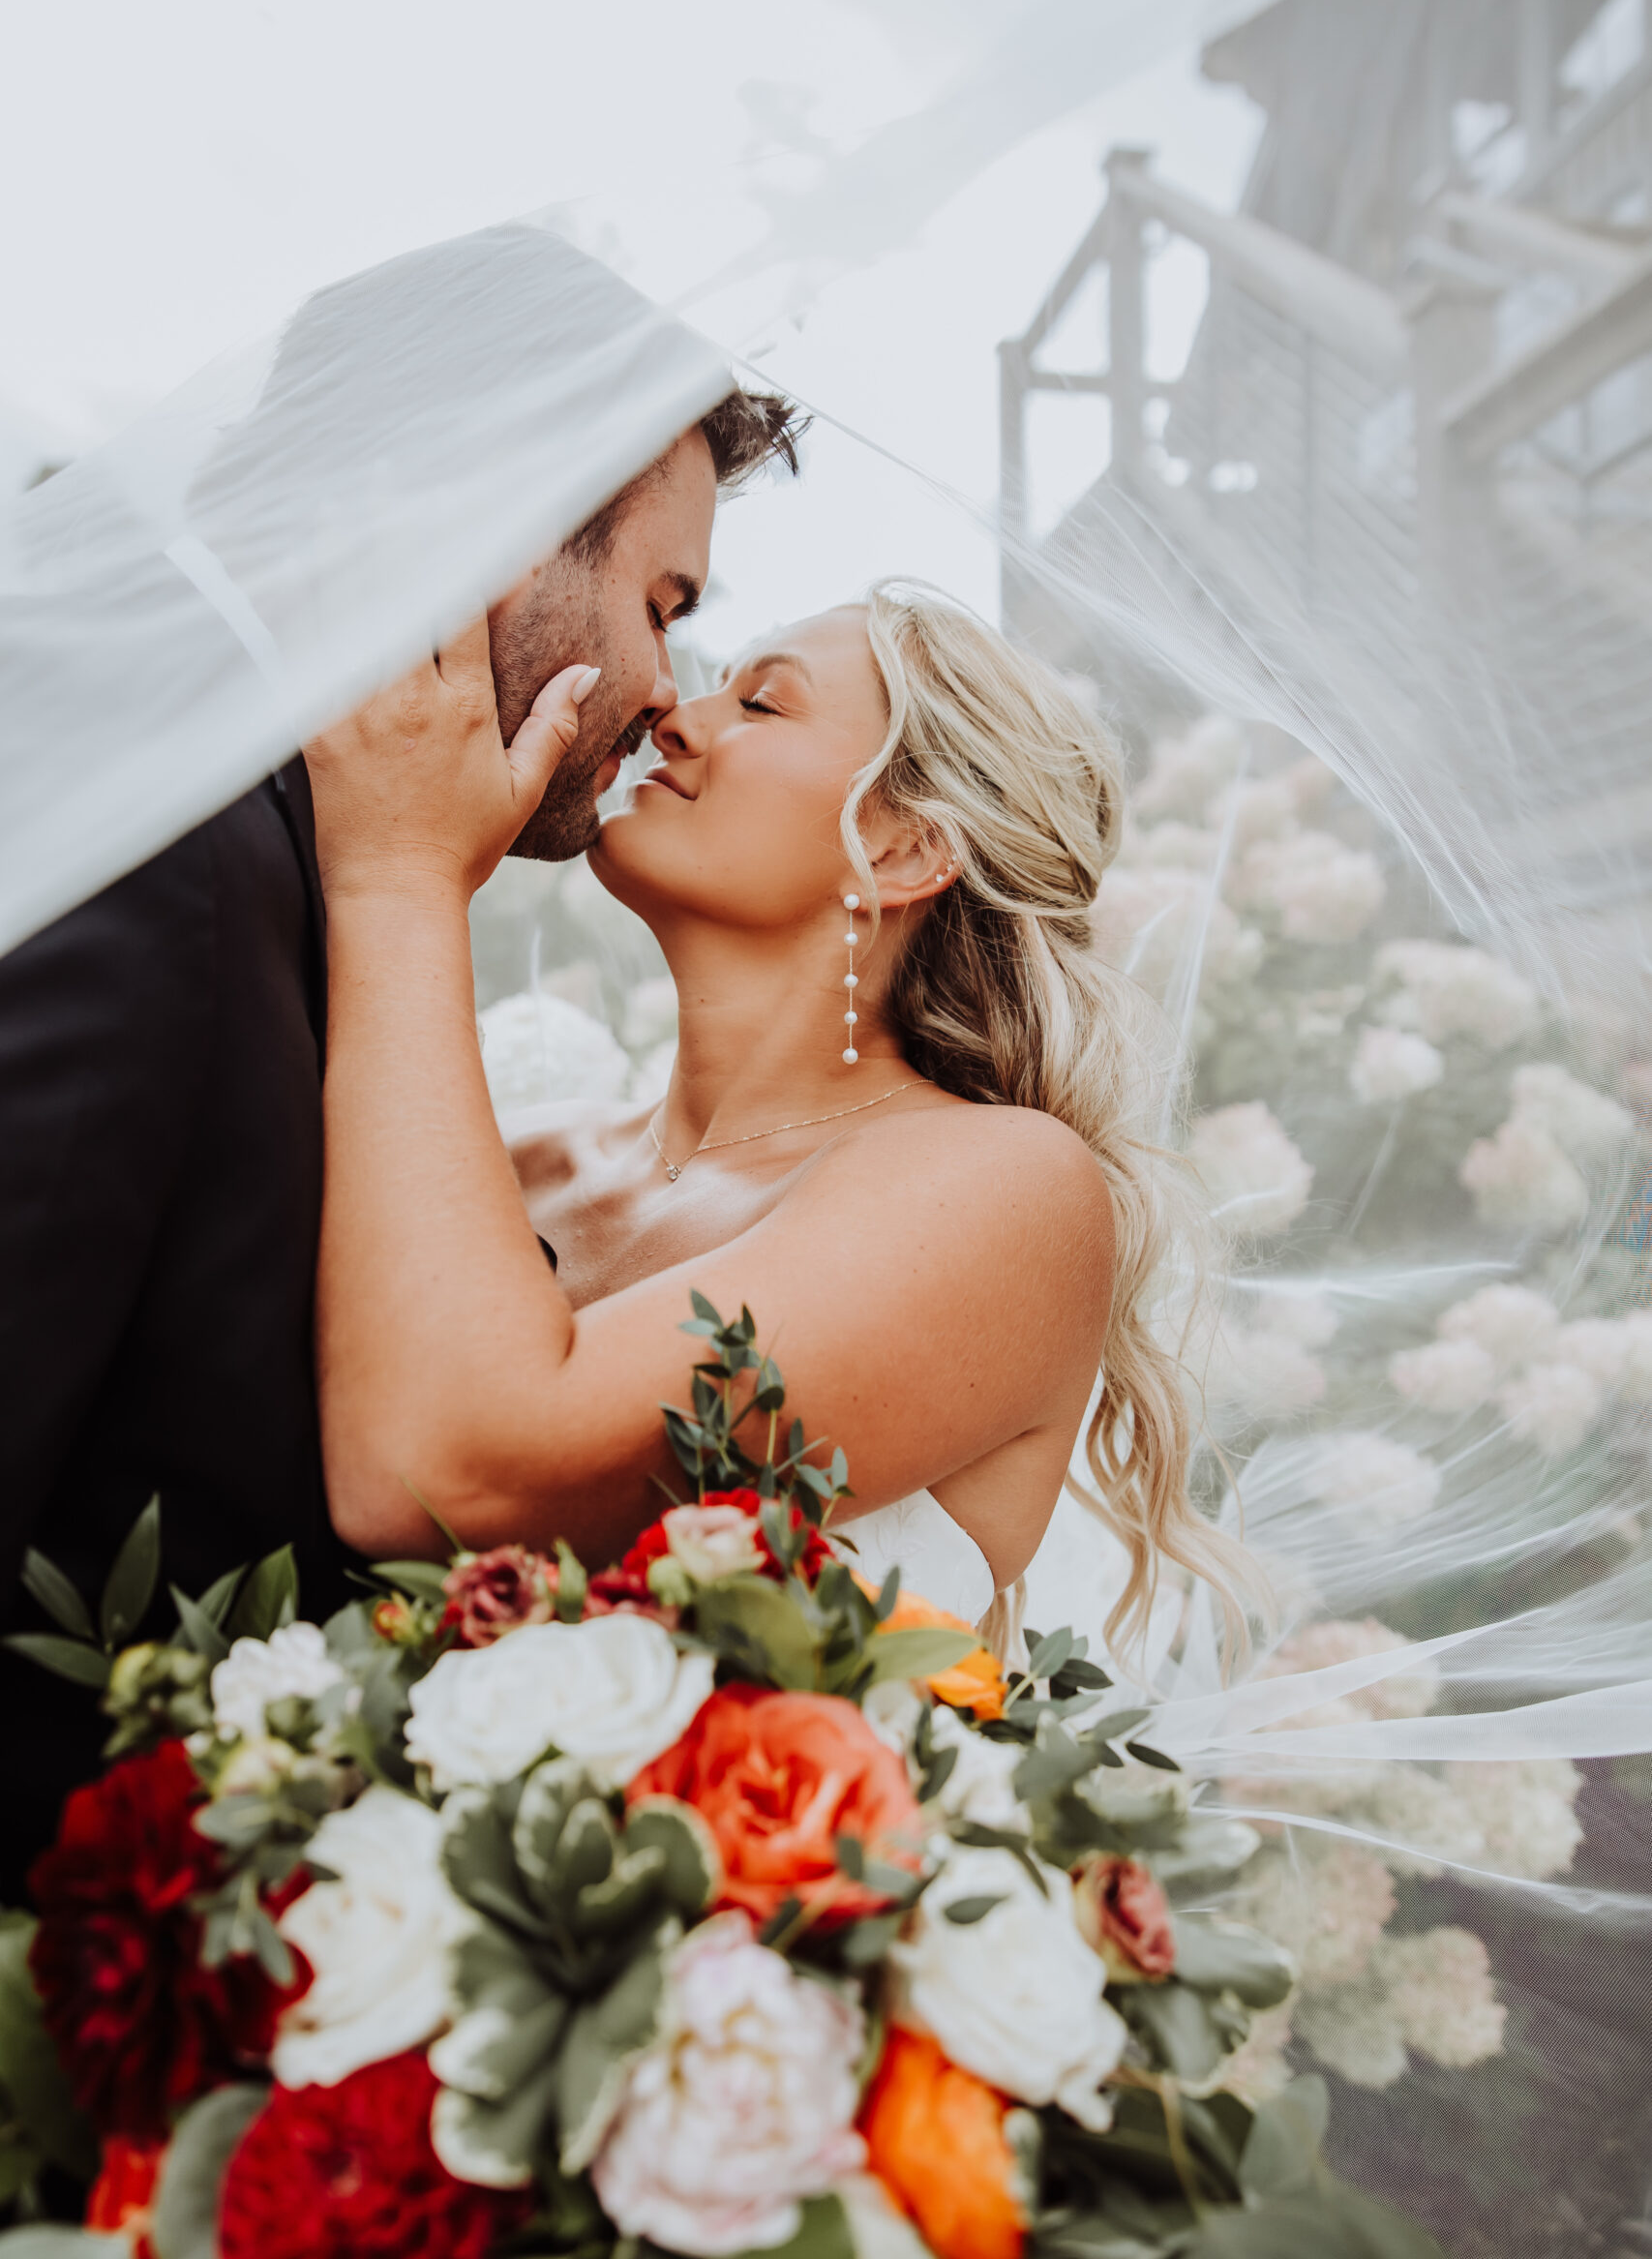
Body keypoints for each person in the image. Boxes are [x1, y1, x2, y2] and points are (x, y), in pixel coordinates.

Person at [0, 380, 801, 1899]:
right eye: (660, 598)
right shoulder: (168, 851)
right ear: (504, 528)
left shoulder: (229, 819)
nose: (662, 687)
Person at [309, 584, 1244, 1648]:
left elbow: (459, 1481)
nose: (675, 715)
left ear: (898, 853)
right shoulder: (518, 1160)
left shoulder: (1007, 1190)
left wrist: (401, 877)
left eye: (761, 704)